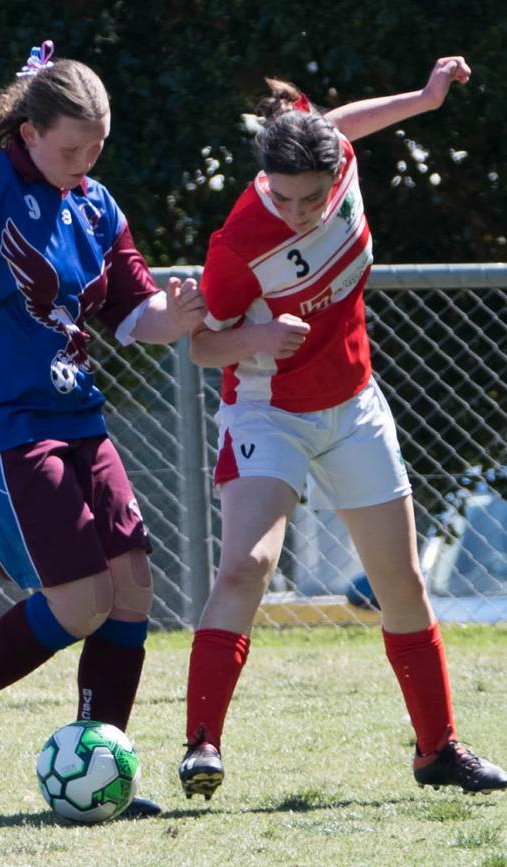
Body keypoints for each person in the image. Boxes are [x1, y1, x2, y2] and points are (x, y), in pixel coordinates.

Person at [0, 40, 205, 818]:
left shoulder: (97, 203)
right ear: (29, 132)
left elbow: (136, 315)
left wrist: (181, 312)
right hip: (0, 428)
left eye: (97, 147)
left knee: (131, 589)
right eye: (71, 147)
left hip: (77, 416)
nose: (85, 160)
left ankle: (104, 767)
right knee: (84, 595)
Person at [178, 56, 507, 801]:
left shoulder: (339, 158)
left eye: (311, 197)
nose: (298, 211)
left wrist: (426, 101)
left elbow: (342, 122)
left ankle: (439, 751)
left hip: (354, 402)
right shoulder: (238, 244)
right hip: (270, 407)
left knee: (401, 581)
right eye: (285, 197)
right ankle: (202, 744)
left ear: (336, 176)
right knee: (245, 568)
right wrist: (257, 341)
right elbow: (203, 345)